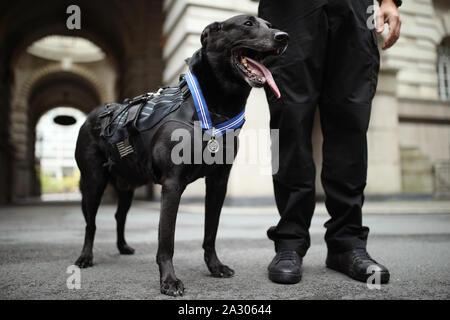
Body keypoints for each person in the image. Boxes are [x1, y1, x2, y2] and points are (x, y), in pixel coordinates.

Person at [258, 0, 402, 284]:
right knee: (287, 123)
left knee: (350, 123)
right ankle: (289, 241)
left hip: (354, 8)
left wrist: (389, 1)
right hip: (289, 11)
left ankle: (346, 243)